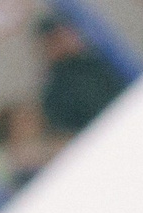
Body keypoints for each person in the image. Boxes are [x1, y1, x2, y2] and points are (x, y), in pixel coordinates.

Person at [33, 16, 128, 144]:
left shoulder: (101, 60)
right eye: (55, 40)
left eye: (64, 36)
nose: (63, 43)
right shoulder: (54, 93)